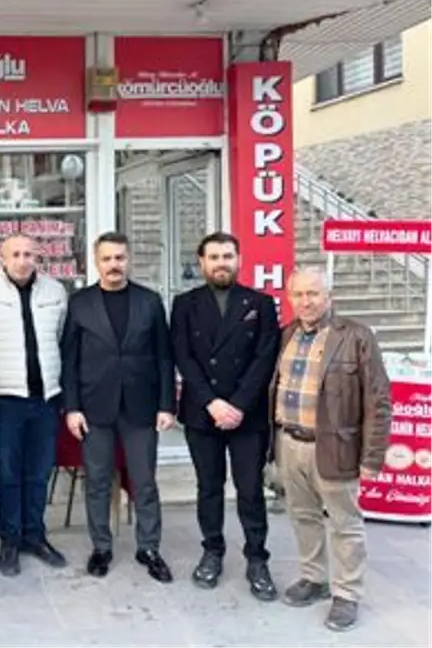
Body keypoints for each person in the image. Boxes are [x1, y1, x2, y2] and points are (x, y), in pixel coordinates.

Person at [271, 266, 390, 632]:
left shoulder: (355, 336)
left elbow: (379, 400)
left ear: (329, 297)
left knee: (345, 524)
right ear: (289, 298)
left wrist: (372, 457)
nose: (306, 301)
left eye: (313, 294)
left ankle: (347, 593)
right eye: (299, 294)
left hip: (336, 447)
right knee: (303, 516)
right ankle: (314, 578)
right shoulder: (286, 334)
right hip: (290, 442)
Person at [170, 232, 280, 599]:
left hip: (247, 416)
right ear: (202, 262)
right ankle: (212, 551)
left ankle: (257, 559)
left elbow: (265, 358)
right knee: (209, 487)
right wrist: (212, 402)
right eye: (214, 257)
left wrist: (237, 405)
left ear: (239, 260)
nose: (221, 263)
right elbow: (182, 356)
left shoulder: (260, 303)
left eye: (227, 256)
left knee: (250, 489)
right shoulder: (184, 304)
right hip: (203, 413)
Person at [61, 232, 175, 583]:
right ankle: (101, 547)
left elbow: (164, 357)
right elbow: (69, 360)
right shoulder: (80, 303)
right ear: (97, 262)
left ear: (129, 260)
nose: (114, 265)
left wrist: (166, 405)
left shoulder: (149, 301)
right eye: (107, 258)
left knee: (145, 482)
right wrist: (72, 407)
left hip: (141, 406)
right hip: (94, 406)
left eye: (120, 258)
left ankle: (149, 547)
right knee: (97, 481)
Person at [0, 233, 67, 576]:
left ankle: (34, 536)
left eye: (29, 254)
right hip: (5, 400)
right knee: (8, 474)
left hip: (46, 398)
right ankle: (10, 539)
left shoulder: (56, 291)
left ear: (38, 257)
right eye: (16, 254)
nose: (23, 261)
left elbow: (60, 339)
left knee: (39, 472)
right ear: (2, 258)